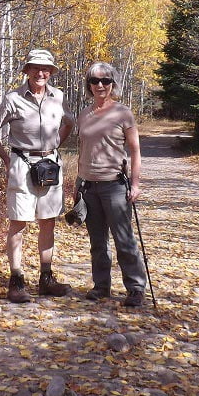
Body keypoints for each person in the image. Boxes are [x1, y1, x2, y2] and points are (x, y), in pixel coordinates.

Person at [0, 48, 75, 303]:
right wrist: (6, 158)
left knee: (48, 221)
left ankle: (46, 279)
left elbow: (69, 123)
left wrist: (56, 144)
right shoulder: (12, 98)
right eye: (35, 67)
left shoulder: (58, 97)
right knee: (19, 222)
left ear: (51, 72)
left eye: (46, 68)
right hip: (22, 164)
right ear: (27, 70)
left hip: (50, 165)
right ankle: (16, 281)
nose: (41, 72)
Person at [75, 61, 147, 307]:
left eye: (105, 81)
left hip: (115, 186)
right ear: (89, 85)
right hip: (89, 187)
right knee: (97, 242)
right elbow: (83, 150)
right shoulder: (84, 114)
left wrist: (135, 184)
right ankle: (101, 286)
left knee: (123, 239)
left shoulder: (123, 113)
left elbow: (136, 151)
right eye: (95, 81)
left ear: (113, 84)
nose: (100, 85)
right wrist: (78, 184)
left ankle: (135, 288)